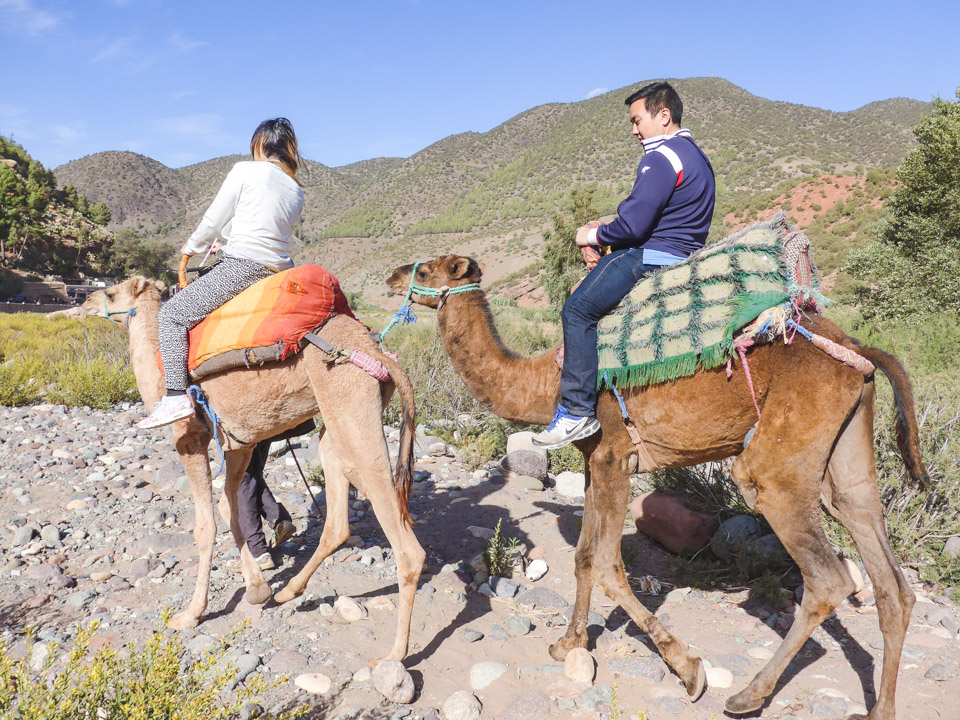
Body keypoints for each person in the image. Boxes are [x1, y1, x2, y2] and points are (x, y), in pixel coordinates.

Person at [532, 82, 716, 449]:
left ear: (663, 116)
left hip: (653, 256)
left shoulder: (661, 157)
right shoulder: (696, 155)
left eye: (637, 120)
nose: (634, 131)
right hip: (684, 254)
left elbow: (633, 225)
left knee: (578, 310)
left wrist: (591, 236)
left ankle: (575, 411)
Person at [138, 118, 305, 429]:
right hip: (280, 271)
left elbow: (216, 216)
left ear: (259, 145)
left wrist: (191, 248)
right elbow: (260, 224)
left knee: (172, 315)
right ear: (288, 149)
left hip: (243, 267)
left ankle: (175, 398)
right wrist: (225, 241)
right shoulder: (296, 189)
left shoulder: (245, 169)